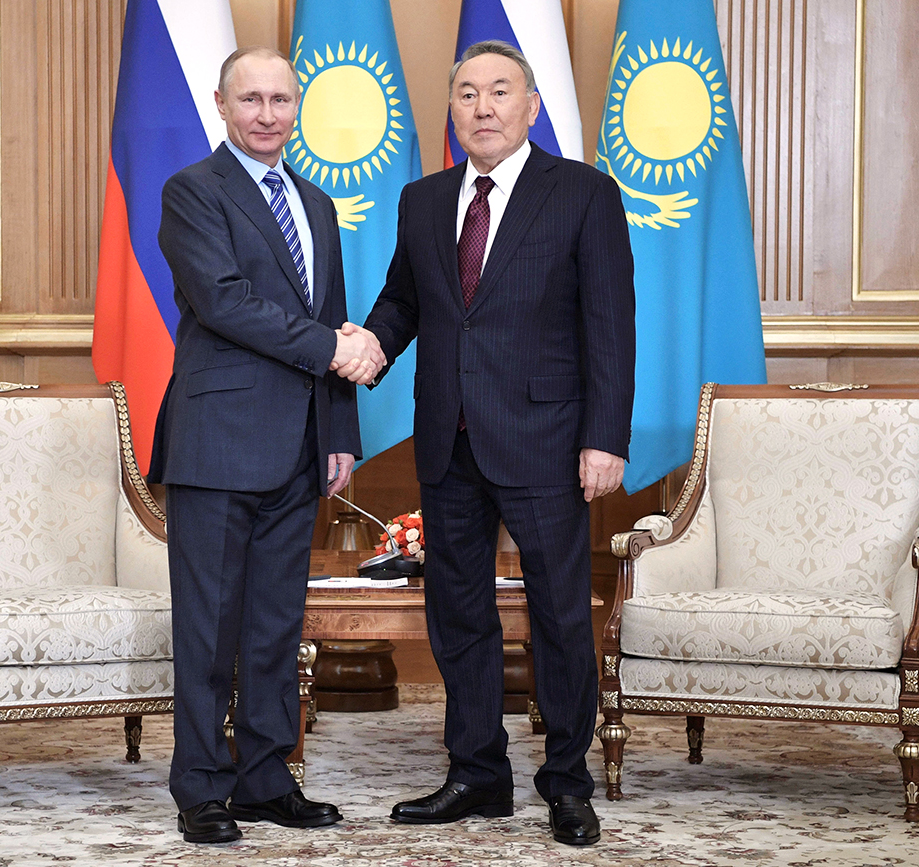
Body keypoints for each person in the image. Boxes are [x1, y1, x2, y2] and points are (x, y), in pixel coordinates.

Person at [350, 40, 635, 847]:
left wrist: (603, 437)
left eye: (499, 92)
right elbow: (403, 301)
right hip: (448, 439)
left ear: (531, 106)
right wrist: (368, 347)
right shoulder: (422, 198)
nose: (482, 107)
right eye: (468, 93)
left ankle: (567, 781)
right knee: (460, 615)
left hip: (548, 440)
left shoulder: (583, 194)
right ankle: (477, 771)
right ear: (453, 110)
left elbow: (610, 326)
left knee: (556, 616)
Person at [150, 46, 385, 845]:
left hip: (302, 444)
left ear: (297, 106)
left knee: (277, 622)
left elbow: (337, 312)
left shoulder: (317, 204)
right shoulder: (193, 192)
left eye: (281, 99)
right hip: (217, 441)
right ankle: (202, 785)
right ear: (221, 105)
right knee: (210, 626)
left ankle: (263, 776)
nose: (267, 113)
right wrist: (333, 349)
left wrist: (342, 430)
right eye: (250, 99)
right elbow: (224, 302)